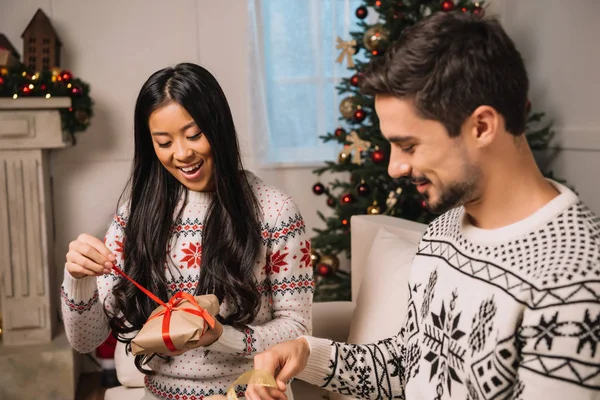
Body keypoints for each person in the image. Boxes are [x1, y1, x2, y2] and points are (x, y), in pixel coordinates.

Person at [248, 11, 600, 400]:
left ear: (481, 126)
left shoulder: (576, 277)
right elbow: (408, 365)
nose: (396, 167)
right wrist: (307, 354)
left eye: (409, 145)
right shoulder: (444, 231)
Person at [60, 63, 313, 399]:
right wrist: (78, 279)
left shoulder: (274, 210)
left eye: (194, 135)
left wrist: (222, 335)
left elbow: (298, 331)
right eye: (164, 142)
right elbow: (85, 340)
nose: (182, 154)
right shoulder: (135, 215)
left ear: (218, 128)